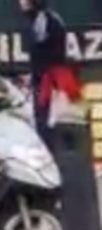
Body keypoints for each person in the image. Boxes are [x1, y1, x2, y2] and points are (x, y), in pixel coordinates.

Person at [18, 0, 67, 145]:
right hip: (42, 81)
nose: (21, 2)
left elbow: (51, 56)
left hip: (49, 82)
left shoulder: (50, 23)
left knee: (46, 125)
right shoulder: (36, 22)